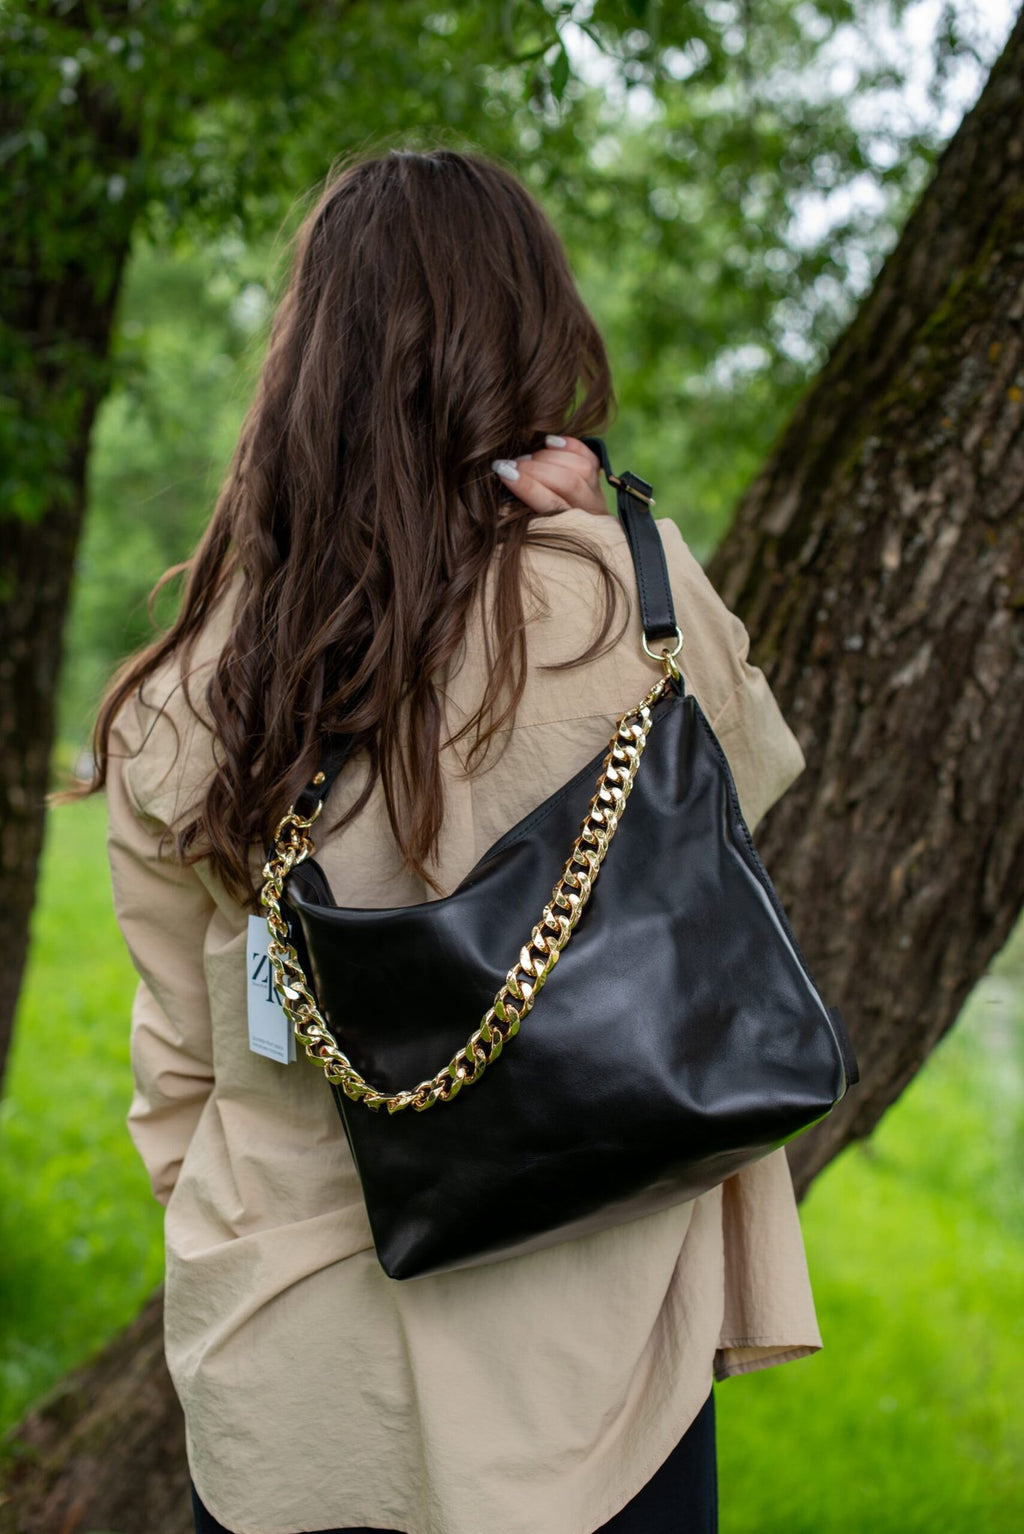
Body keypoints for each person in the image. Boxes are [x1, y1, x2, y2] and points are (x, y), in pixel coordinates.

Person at [89, 145, 821, 1534]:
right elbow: (742, 799)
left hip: (292, 1376)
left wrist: (259, 1222)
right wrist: (604, 530)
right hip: (597, 1370)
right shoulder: (622, 598)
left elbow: (183, 1065)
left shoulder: (190, 685)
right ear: (527, 337)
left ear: (306, 370)